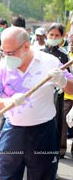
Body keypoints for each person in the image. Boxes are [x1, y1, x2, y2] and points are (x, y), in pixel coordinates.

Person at [0, 26, 73, 179]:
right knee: (5, 175)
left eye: (10, 53)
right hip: (12, 131)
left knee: (43, 176)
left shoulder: (50, 62)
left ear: (26, 46)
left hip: (43, 132)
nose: (6, 57)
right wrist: (7, 102)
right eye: (3, 52)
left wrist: (63, 80)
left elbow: (71, 90)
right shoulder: (2, 68)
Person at [42, 23, 70, 159]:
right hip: (40, 97)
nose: (53, 37)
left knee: (55, 128)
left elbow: (69, 78)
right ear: (46, 35)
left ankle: (52, 162)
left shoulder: (64, 56)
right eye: (51, 34)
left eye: (57, 35)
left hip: (57, 97)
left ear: (62, 37)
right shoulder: (39, 52)